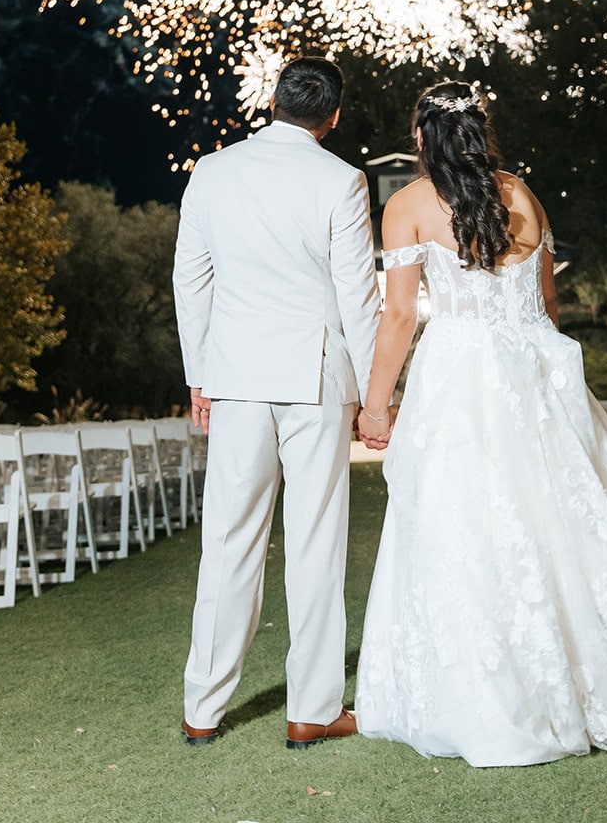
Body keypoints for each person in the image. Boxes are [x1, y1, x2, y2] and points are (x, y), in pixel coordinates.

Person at [354, 81, 607, 768]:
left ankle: (499, 700)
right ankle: (596, 686)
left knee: (466, 527)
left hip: (459, 380)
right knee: (562, 523)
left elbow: (400, 317)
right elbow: (547, 301)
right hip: (536, 376)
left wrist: (375, 404)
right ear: (479, 129)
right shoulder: (522, 195)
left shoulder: (406, 206)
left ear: (421, 137)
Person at [174, 55, 381, 749]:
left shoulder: (212, 170)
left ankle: (201, 709)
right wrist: (373, 392)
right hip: (315, 374)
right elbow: (358, 295)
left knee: (228, 541)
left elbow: (190, 280)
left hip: (233, 372)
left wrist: (197, 376)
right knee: (316, 542)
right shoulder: (342, 179)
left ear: (272, 100)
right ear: (333, 116)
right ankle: (311, 710)